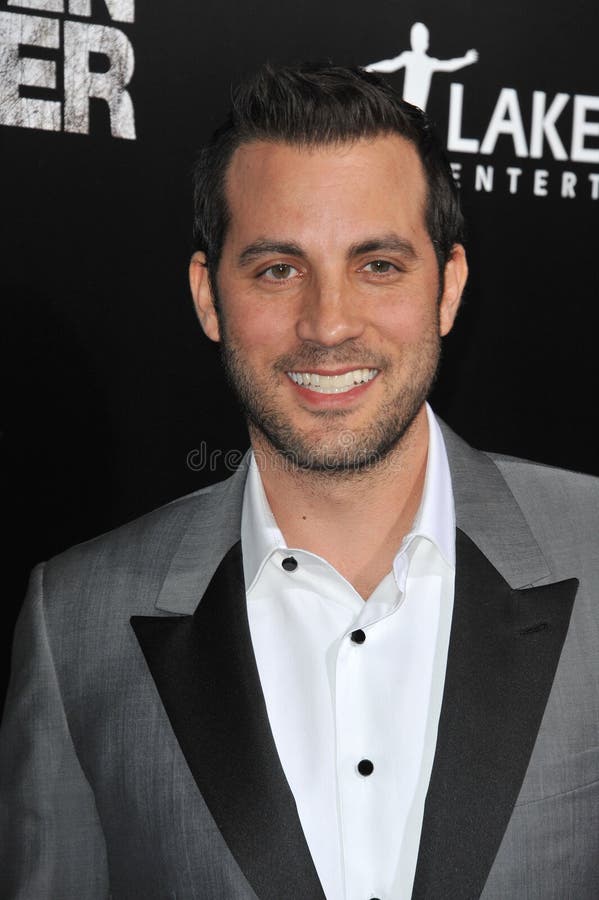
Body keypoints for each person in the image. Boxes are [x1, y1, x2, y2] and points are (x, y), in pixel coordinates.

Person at [0, 63, 597, 900]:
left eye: (378, 265)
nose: (327, 324)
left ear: (447, 287)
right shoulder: (77, 623)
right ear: (209, 298)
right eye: (278, 269)